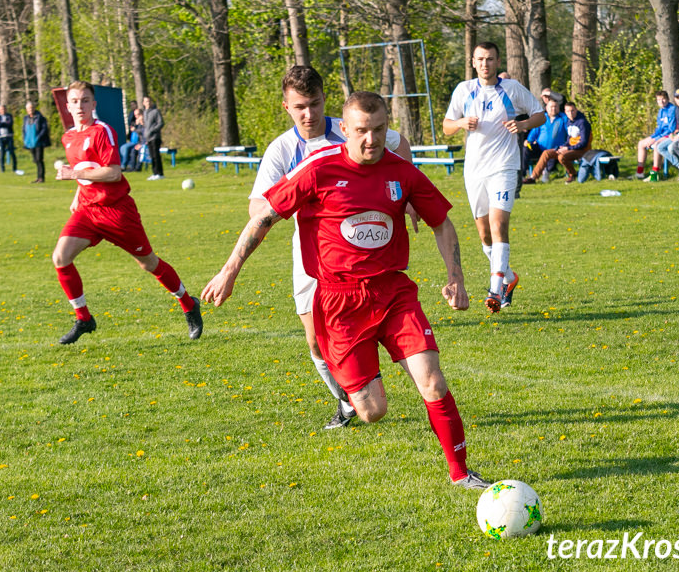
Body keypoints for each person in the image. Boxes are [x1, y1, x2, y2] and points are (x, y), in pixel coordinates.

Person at [203, 91, 490, 490]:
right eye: (361, 131)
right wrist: (229, 270)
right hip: (339, 301)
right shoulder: (316, 169)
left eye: (378, 130)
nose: (370, 140)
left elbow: (441, 222)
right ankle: (353, 379)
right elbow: (264, 218)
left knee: (433, 382)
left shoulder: (402, 172)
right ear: (343, 128)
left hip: (393, 292)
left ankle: (461, 473)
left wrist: (455, 276)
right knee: (372, 411)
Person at [249, 65, 412, 430]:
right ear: (286, 107)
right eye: (300, 107)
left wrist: (407, 199)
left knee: (374, 330)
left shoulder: (351, 130)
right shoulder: (283, 149)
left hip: (366, 253)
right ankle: (346, 401)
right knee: (316, 343)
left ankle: (364, 390)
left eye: (316, 104)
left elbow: (400, 145)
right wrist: (296, 195)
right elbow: (257, 207)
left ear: (326, 101)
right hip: (312, 258)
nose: (310, 114)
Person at [52, 81, 203, 344]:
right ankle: (84, 318)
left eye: (85, 100)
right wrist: (78, 192)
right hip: (88, 211)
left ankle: (189, 304)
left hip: (117, 212)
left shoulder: (103, 132)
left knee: (149, 264)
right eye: (75, 101)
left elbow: (112, 172)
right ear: (67, 106)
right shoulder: (68, 136)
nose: (80, 106)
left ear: (93, 104)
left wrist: (73, 174)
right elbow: (87, 171)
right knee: (60, 257)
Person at [443, 41, 544, 314]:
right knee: (484, 234)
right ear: (473, 62)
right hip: (474, 169)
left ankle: (495, 287)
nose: (485, 63)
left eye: (489, 59)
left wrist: (522, 124)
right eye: (480, 59)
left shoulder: (511, 89)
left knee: (499, 224)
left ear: (498, 62)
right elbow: (446, 126)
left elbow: (540, 115)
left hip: (504, 166)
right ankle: (509, 278)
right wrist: (461, 123)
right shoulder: (464, 90)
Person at [524, 99, 591, 185]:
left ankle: (573, 174)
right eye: (568, 111)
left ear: (576, 110)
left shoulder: (581, 123)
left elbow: (584, 142)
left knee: (561, 157)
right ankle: (533, 177)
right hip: (567, 148)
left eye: (572, 111)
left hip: (580, 150)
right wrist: (560, 148)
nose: (570, 113)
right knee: (546, 153)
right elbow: (569, 140)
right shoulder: (569, 122)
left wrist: (567, 148)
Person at [647, 88, 679, 182]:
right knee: (656, 146)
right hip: (675, 134)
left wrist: (674, 133)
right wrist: (655, 137)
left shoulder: (676, 109)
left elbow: (672, 127)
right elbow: (661, 128)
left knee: (664, 146)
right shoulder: (672, 110)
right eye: (677, 98)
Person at [522, 98, 567, 182]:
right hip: (539, 148)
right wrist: (528, 141)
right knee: (525, 149)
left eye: (555, 106)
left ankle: (547, 172)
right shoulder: (542, 118)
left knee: (552, 153)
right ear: (546, 108)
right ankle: (523, 174)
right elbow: (533, 133)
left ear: (558, 107)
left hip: (555, 149)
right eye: (551, 107)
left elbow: (569, 133)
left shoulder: (563, 118)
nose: (553, 109)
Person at [634, 91, 675, 179]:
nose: (661, 101)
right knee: (641, 143)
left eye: (663, 99)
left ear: (667, 99)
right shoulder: (661, 111)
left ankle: (655, 173)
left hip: (669, 135)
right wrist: (653, 137)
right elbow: (659, 128)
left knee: (657, 145)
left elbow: (670, 129)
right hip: (661, 134)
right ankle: (639, 172)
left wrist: (655, 140)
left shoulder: (672, 109)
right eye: (659, 100)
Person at [23, 101, 51, 183]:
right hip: (30, 142)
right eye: (28, 108)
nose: (30, 110)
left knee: (39, 159)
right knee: (35, 160)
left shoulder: (40, 117)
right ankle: (38, 177)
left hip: (39, 142)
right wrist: (25, 139)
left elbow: (44, 129)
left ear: (34, 108)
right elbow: (24, 130)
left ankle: (41, 178)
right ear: (26, 109)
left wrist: (38, 137)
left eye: (31, 108)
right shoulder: (26, 118)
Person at [143, 96, 165, 181]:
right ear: (143, 103)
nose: (147, 103)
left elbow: (161, 123)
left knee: (156, 155)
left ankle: (160, 173)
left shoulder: (156, 111)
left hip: (155, 137)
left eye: (149, 101)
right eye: (146, 101)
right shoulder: (145, 113)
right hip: (148, 138)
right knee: (152, 156)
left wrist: (152, 130)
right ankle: (154, 173)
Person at [0, 105, 19, 174]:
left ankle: (14, 168)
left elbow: (10, 124)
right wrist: (4, 123)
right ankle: (2, 169)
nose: (3, 110)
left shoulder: (9, 116)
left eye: (4, 109)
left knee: (12, 152)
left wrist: (1, 123)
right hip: (0, 137)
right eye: (1, 109)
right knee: (2, 153)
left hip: (9, 136)